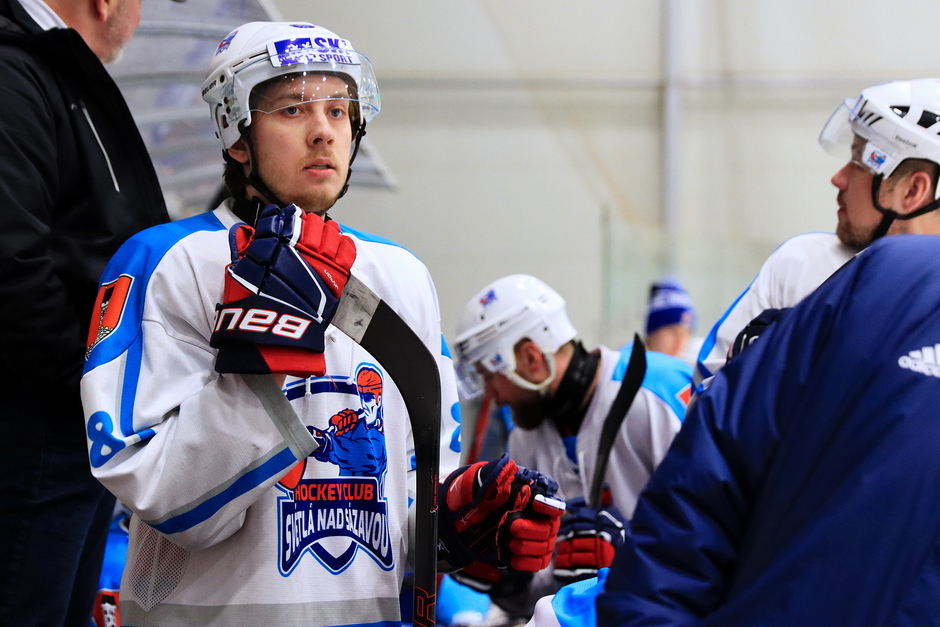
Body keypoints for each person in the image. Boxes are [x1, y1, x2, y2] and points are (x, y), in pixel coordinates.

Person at [80, 21, 564, 625]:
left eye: (339, 110)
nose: (323, 131)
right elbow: (162, 499)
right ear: (236, 134)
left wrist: (459, 521)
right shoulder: (166, 262)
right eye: (292, 109)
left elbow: (406, 501)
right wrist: (263, 368)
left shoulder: (401, 275)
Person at [593, 235, 940, 626]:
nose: (680, 338)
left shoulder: (884, 279)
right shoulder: (852, 275)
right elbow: (701, 492)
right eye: (671, 328)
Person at [0, 0, 174, 625]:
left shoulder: (53, 73)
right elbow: (10, 260)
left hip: (76, 426)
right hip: (41, 427)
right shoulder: (16, 70)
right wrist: (82, 385)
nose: (141, 15)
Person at [452, 274, 693, 621]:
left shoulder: (657, 390)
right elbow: (548, 593)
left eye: (490, 376)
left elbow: (719, 531)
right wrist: (511, 585)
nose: (490, 393)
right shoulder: (524, 437)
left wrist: (631, 555)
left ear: (531, 358)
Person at [695, 78, 940, 389]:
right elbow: (704, 395)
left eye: (858, 162)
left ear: (913, 191)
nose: (838, 178)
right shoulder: (801, 264)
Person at [643, 278, 697, 362]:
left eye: (686, 333)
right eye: (673, 331)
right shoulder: (627, 364)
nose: (679, 341)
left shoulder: (687, 366)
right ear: (652, 333)